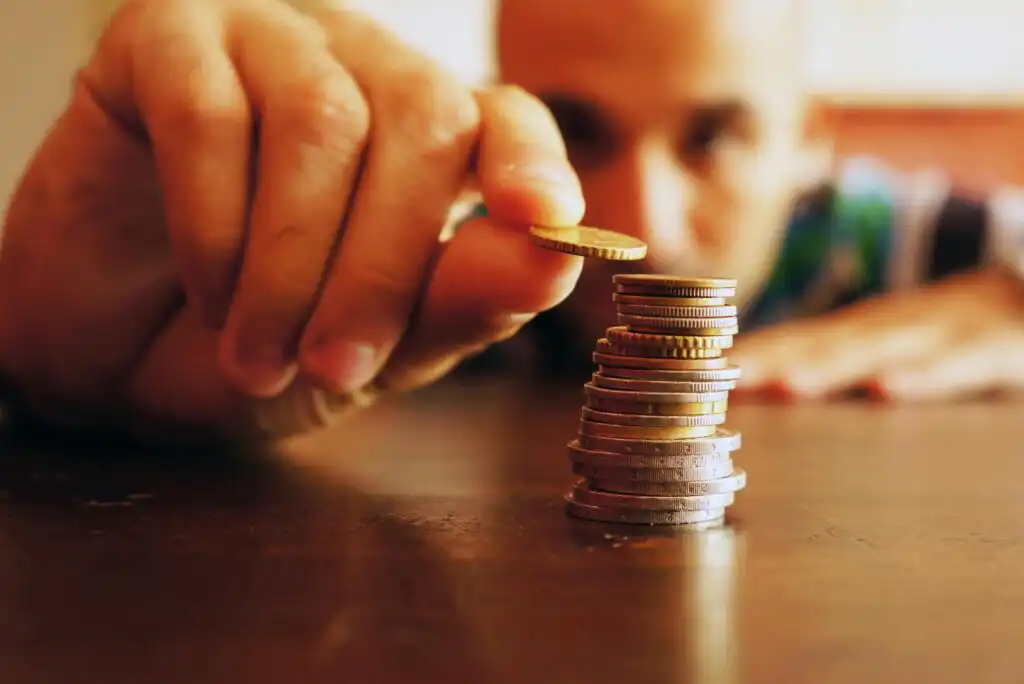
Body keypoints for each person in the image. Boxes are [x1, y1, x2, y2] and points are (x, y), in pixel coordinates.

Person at [0, 0, 1021, 441]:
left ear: (808, 139)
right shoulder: (419, 258)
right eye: (576, 129)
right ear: (507, 110)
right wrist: (31, 384)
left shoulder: (916, 243)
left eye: (715, 136)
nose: (645, 225)